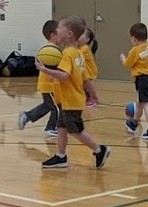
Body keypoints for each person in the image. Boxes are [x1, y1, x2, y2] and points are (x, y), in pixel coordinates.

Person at [34, 15, 110, 170]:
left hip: (70, 100)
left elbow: (64, 75)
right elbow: (86, 78)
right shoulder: (78, 54)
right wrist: (94, 94)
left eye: (59, 28)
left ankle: (99, 149)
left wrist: (45, 70)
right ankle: (60, 156)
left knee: (75, 130)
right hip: (70, 99)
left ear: (69, 34)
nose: (57, 31)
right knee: (61, 127)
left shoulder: (68, 54)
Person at [17, 19, 61, 137]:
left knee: (47, 105)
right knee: (57, 108)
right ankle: (51, 128)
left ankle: (27, 116)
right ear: (53, 35)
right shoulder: (49, 52)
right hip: (49, 85)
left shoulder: (50, 50)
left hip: (47, 84)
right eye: (60, 32)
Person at [120, 22, 148, 139]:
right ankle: (133, 123)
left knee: (146, 104)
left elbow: (128, 63)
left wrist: (123, 58)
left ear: (134, 38)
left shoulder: (135, 50)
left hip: (143, 79)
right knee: (139, 103)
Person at [80, 27, 100, 107]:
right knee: (83, 86)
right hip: (84, 71)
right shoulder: (80, 48)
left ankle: (93, 99)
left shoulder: (84, 48)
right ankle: (87, 98)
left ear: (87, 40)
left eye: (81, 34)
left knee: (88, 86)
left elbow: (76, 55)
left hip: (89, 71)